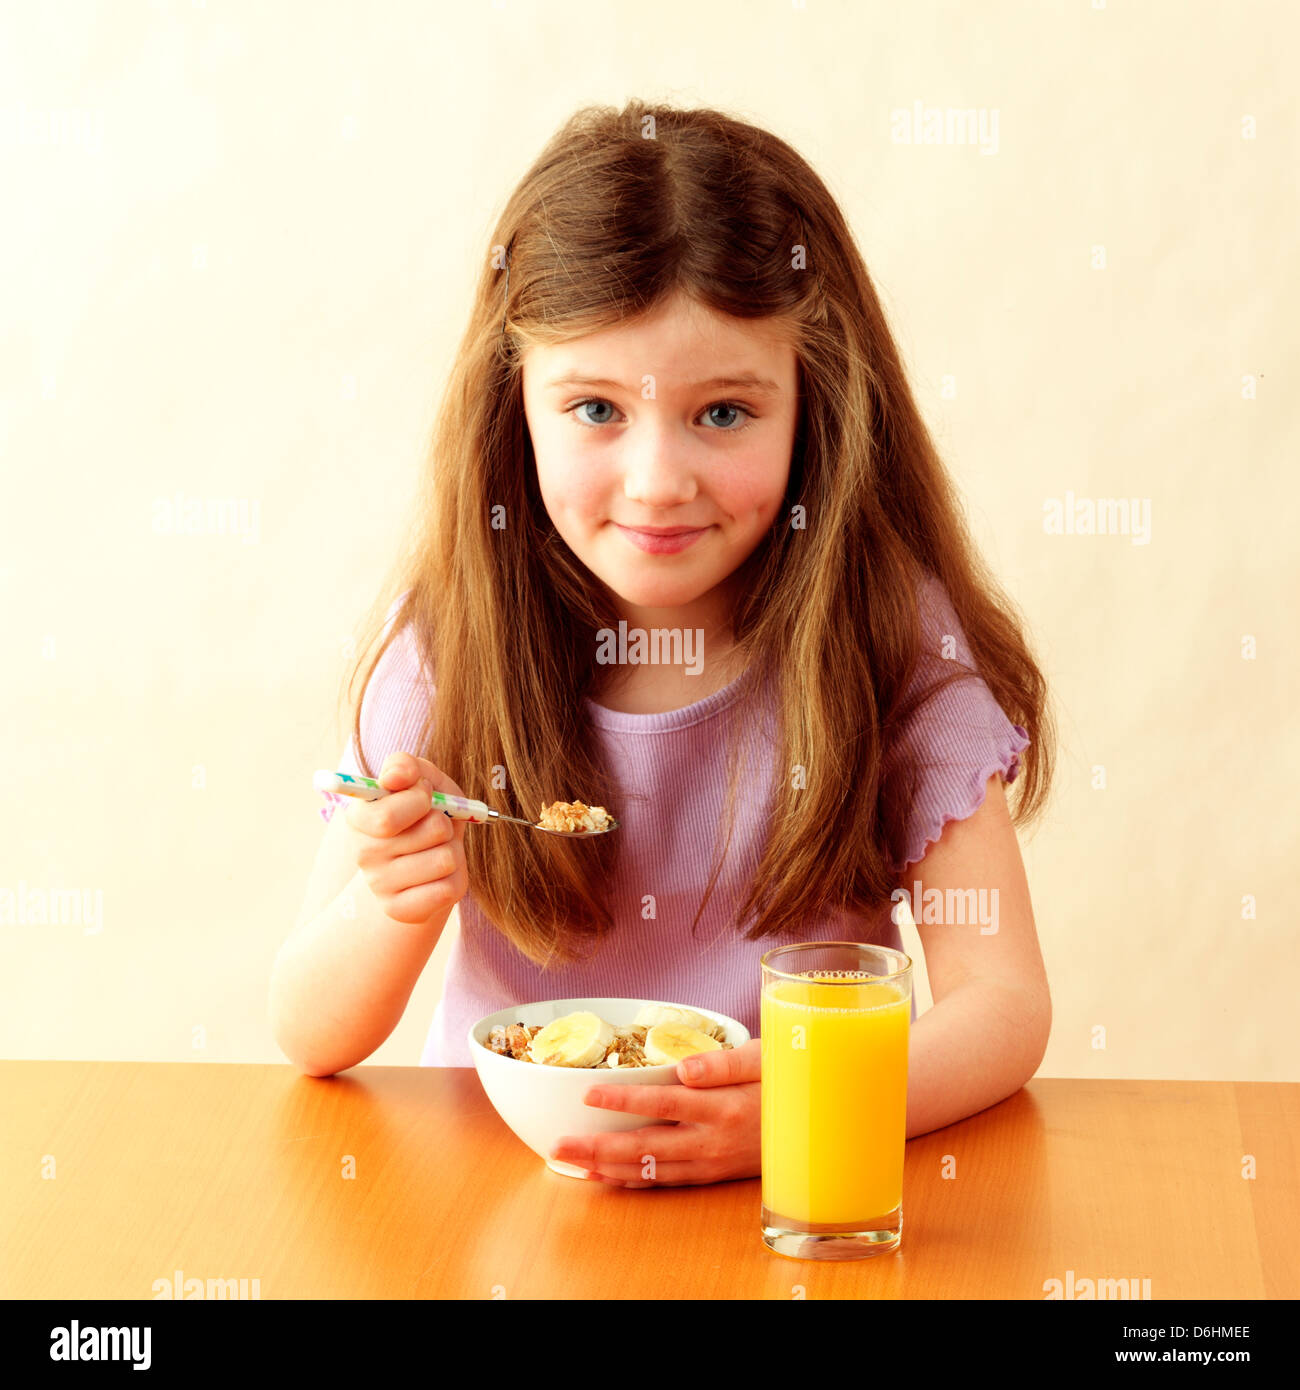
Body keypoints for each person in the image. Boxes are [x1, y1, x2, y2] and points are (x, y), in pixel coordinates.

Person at [271, 100, 1055, 1188]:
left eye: (723, 413)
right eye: (594, 409)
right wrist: (385, 905)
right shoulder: (457, 643)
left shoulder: (889, 641)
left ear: (812, 406)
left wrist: (805, 1108)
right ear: (516, 410)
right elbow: (311, 1031)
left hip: (789, 1200)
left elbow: (1003, 1006)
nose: (656, 481)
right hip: (496, 1203)